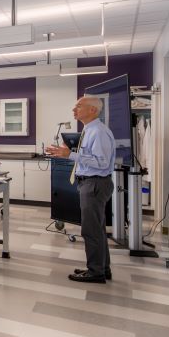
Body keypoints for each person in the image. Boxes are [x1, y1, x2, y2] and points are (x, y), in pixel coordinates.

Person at [45, 96, 116, 283]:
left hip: (95, 183)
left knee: (91, 231)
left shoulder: (98, 132)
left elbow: (101, 162)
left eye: (78, 106)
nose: (74, 110)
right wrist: (68, 153)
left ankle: (95, 272)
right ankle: (102, 268)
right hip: (91, 182)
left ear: (93, 110)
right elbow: (89, 156)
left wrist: (71, 154)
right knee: (97, 230)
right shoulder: (89, 129)